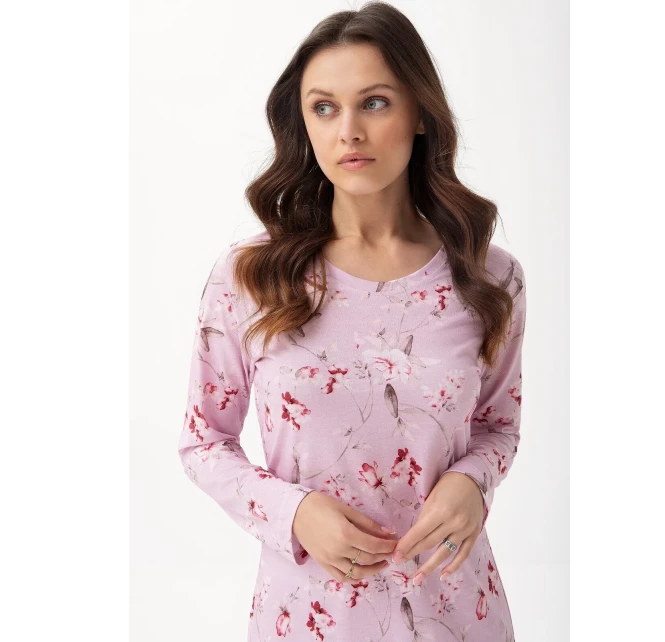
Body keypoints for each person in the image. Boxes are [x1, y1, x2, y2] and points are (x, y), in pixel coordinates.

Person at [177, 2, 526, 640]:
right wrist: (292, 513)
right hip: (309, 618)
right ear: (303, 122)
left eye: (374, 103)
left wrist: (473, 483)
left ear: (420, 114)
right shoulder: (250, 277)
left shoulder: (489, 276)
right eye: (324, 107)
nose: (349, 132)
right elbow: (203, 442)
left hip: (456, 613)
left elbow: (498, 428)